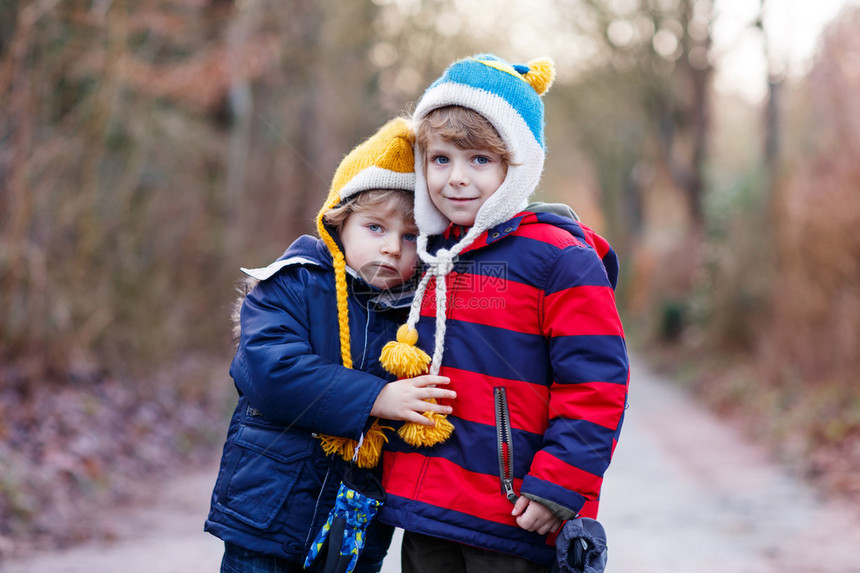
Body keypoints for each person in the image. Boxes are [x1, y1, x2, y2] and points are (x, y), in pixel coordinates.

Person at [376, 54, 630, 572]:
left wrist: (559, 483)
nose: (456, 179)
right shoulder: (424, 255)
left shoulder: (559, 259)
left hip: (514, 515)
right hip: (428, 511)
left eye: (479, 161)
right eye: (441, 159)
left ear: (516, 166)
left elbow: (597, 382)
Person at [204, 117, 455, 573]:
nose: (392, 249)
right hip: (267, 511)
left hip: (356, 521)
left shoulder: (417, 314)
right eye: (376, 228)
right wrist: (377, 397)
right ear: (339, 222)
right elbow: (268, 370)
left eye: (411, 237)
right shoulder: (294, 282)